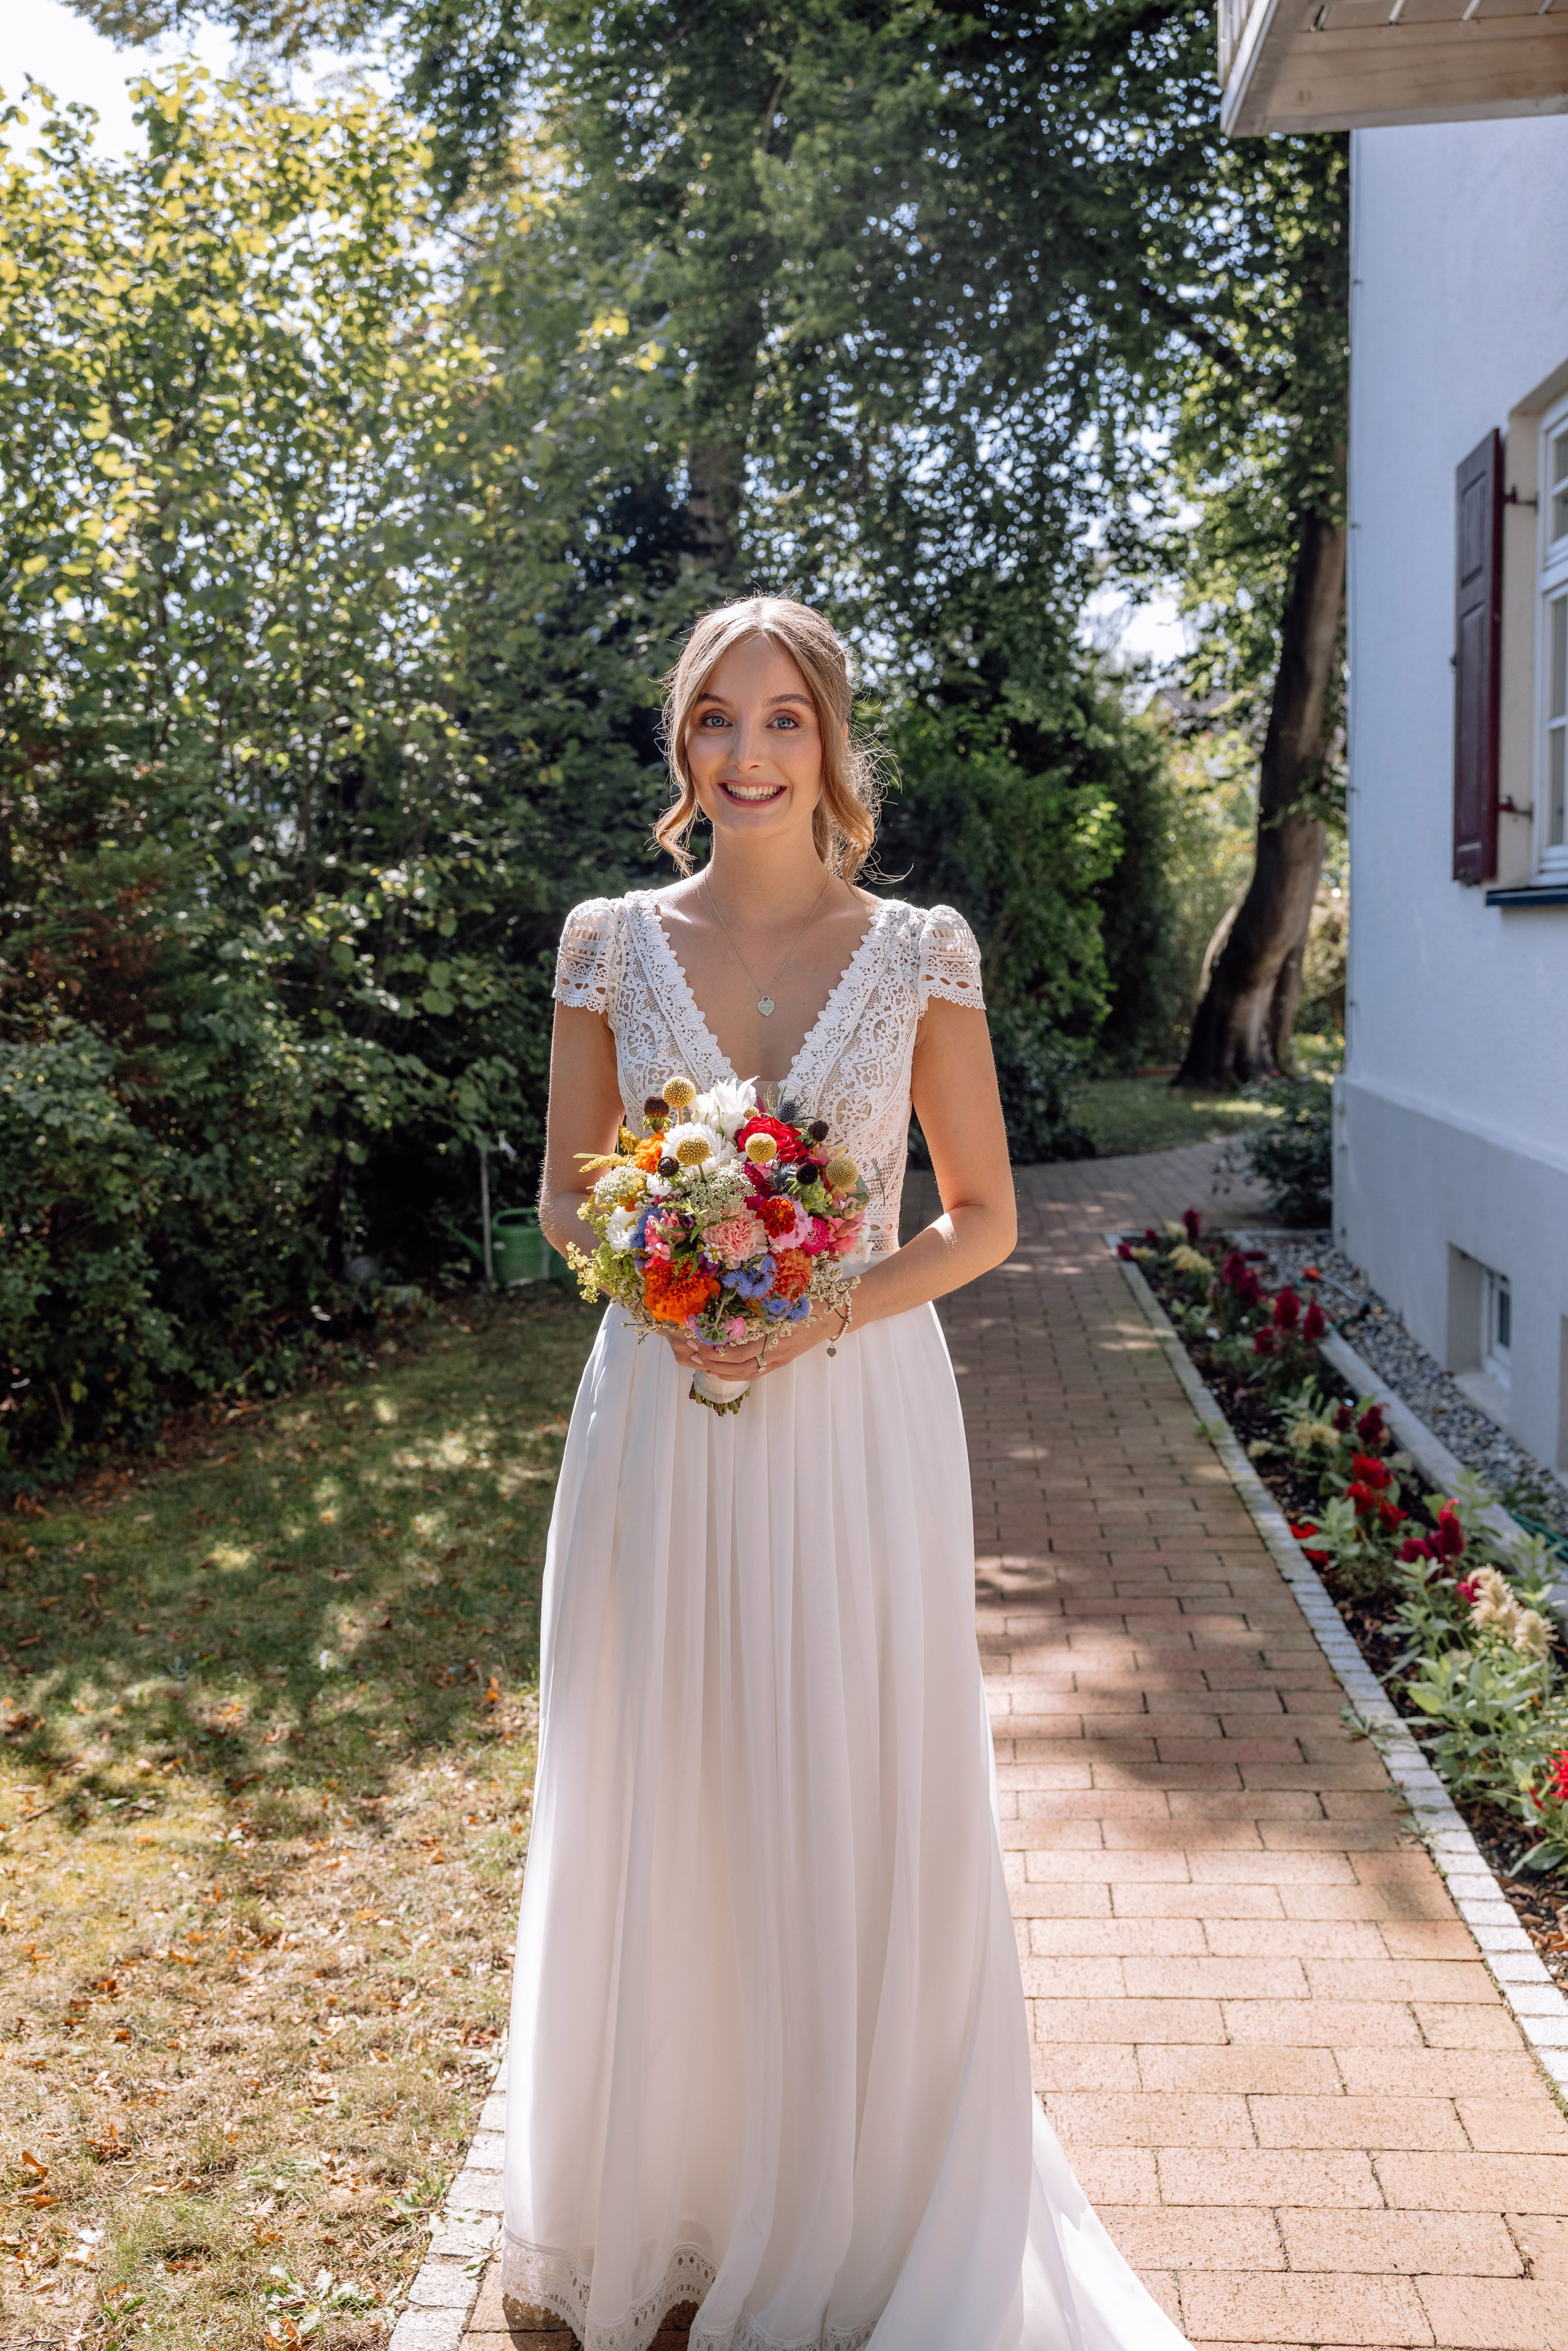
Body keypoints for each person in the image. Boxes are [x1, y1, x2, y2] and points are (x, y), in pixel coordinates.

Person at [501, 597, 1191, 2351]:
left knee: (847, 1771)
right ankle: (674, 2188)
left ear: (831, 745)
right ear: (682, 747)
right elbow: (568, 1194)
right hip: (657, 1410)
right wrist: (666, 1278)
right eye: (716, 721)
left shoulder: (918, 954)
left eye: (783, 720)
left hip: (856, 1419)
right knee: (665, 1768)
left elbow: (985, 1219)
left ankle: (856, 2196)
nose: (747, 754)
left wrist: (811, 1319)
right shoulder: (604, 942)